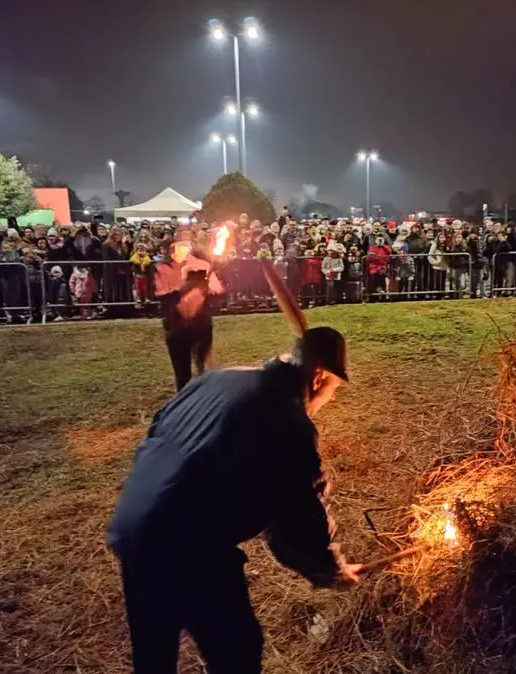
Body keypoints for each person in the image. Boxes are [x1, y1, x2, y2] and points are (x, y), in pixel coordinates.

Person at [107, 327, 360, 674]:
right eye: (334, 390)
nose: (330, 400)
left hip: (135, 528)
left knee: (153, 654)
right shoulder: (285, 418)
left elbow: (157, 430)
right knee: (237, 650)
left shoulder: (220, 379)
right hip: (187, 542)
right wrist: (330, 569)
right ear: (319, 376)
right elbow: (297, 513)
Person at [153, 227, 225, 391]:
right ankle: (184, 402)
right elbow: (161, 296)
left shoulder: (201, 264)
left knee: (204, 368)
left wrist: (209, 288)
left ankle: (204, 397)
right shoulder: (162, 268)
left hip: (200, 324)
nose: (183, 246)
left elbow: (218, 291)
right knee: (182, 372)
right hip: (176, 326)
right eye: (180, 242)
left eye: (187, 242)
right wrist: (183, 289)